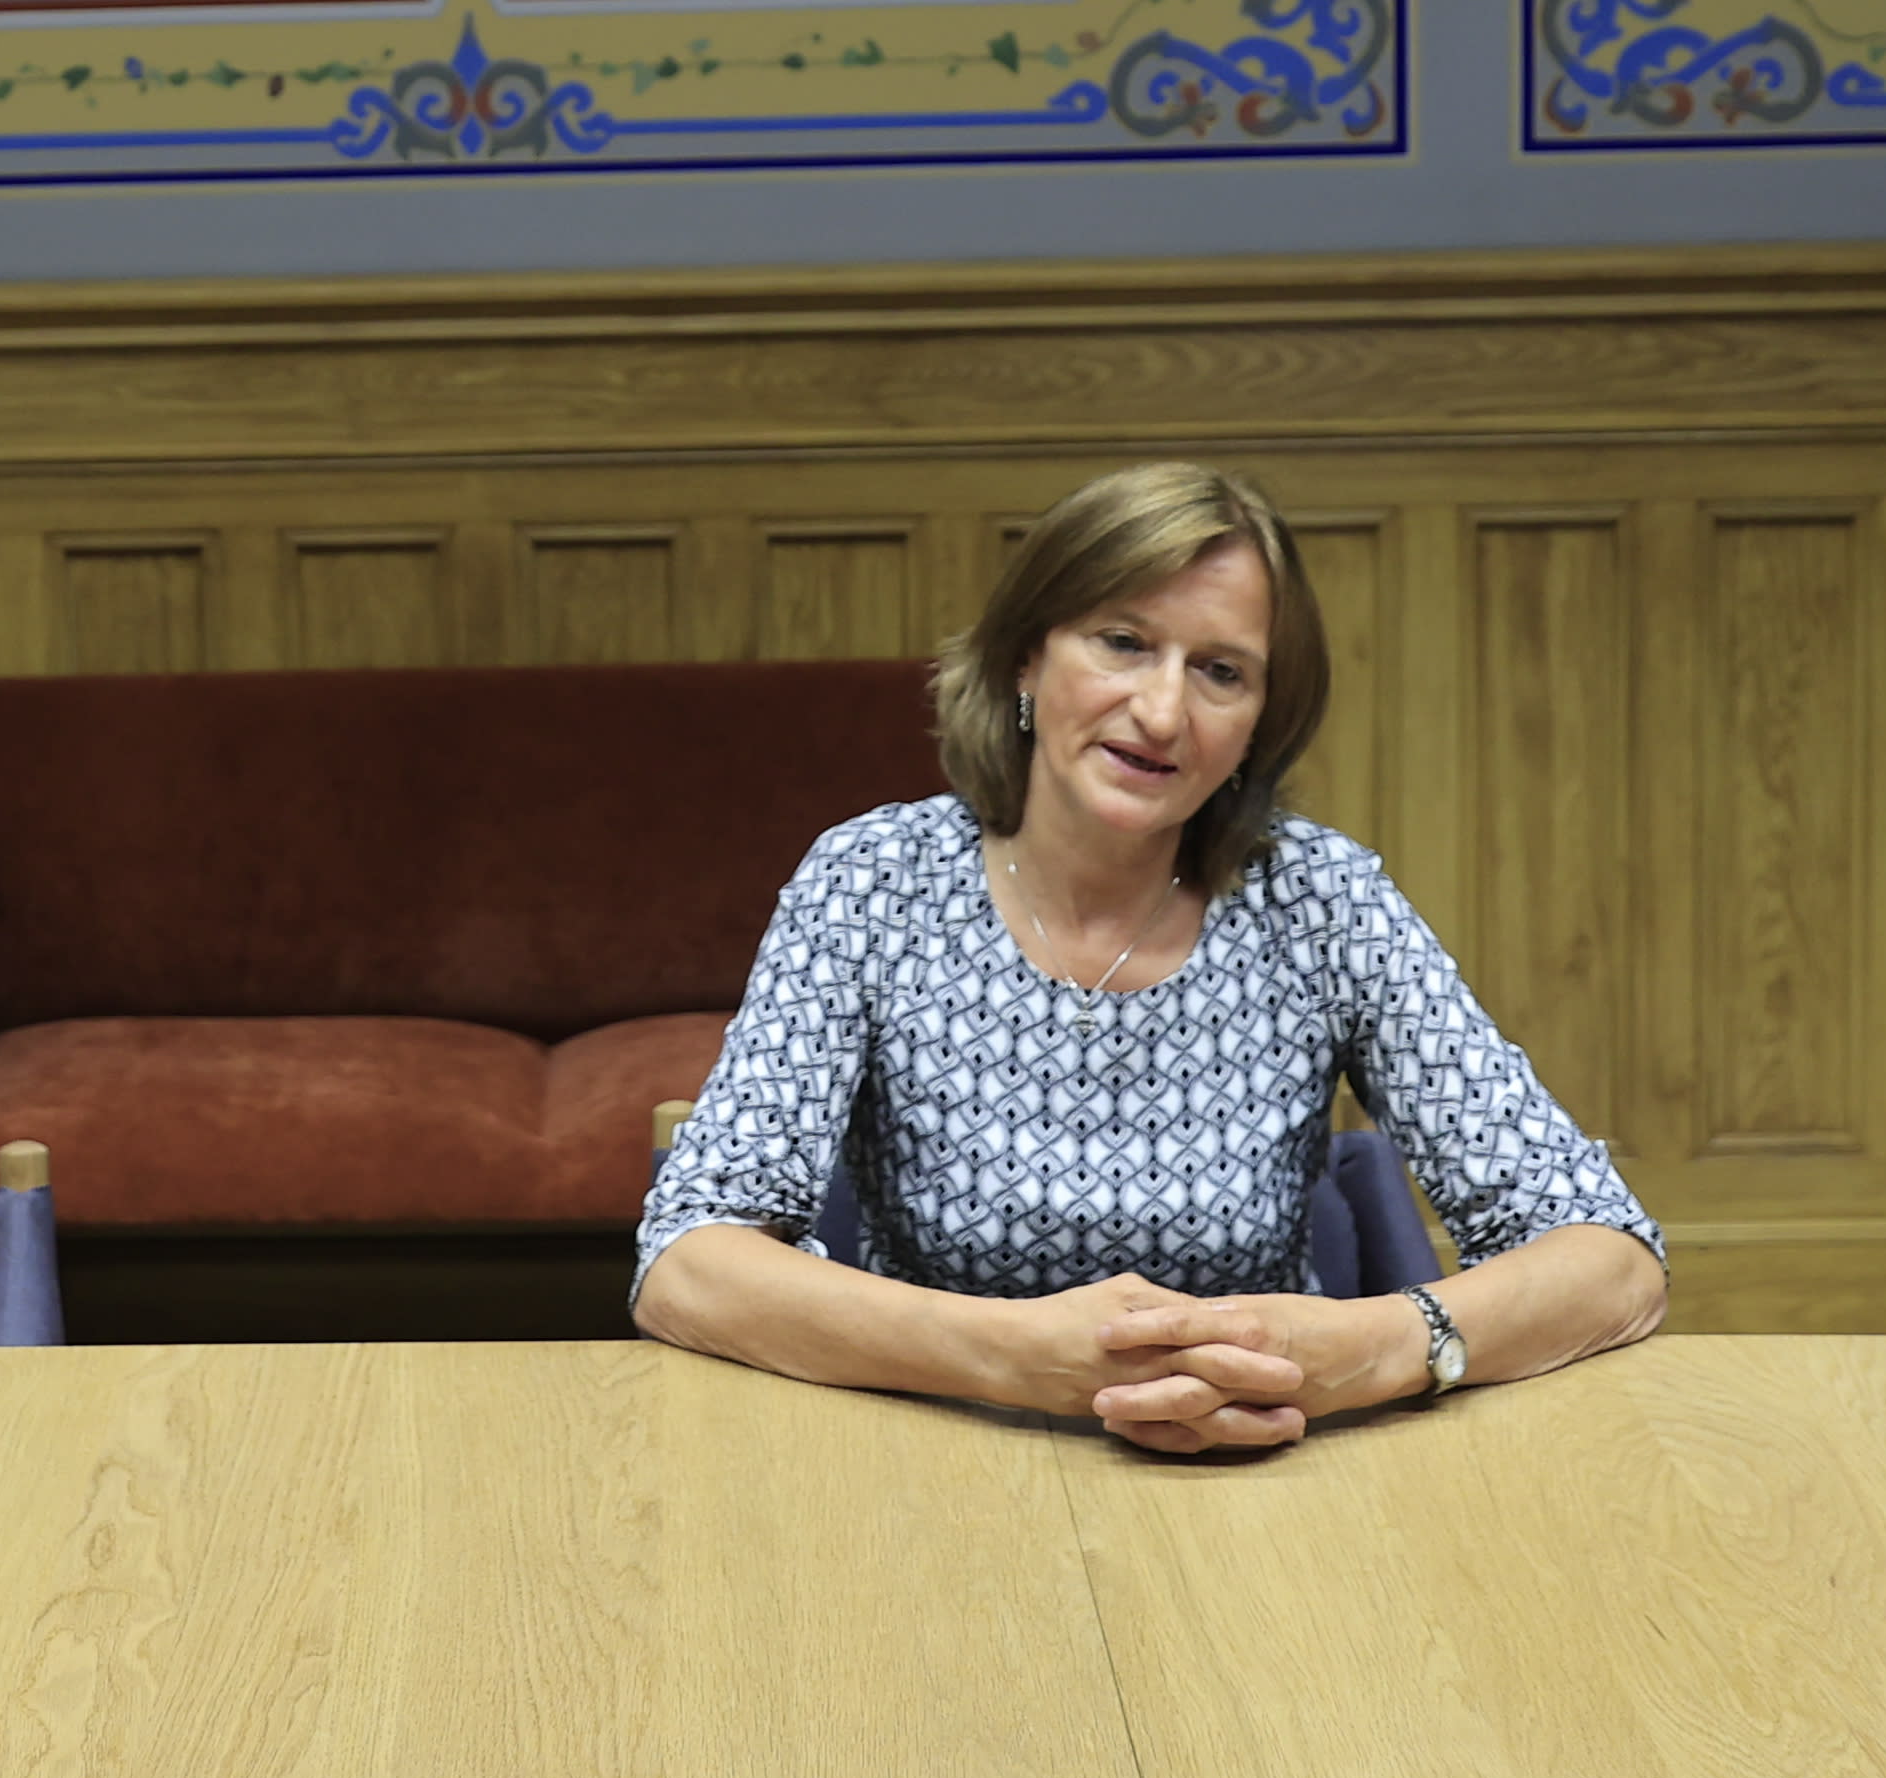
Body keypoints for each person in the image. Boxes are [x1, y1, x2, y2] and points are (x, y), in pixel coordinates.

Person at [638, 460, 1665, 1451]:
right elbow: (687, 1263)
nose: (1165, 712)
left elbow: (1613, 1260)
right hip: (935, 1455)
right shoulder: (875, 881)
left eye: (1221, 672)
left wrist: (1370, 1349)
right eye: (1123, 643)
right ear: (1026, 659)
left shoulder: (1320, 901)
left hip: (1260, 1468)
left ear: (1260, 722)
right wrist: (1015, 1358)